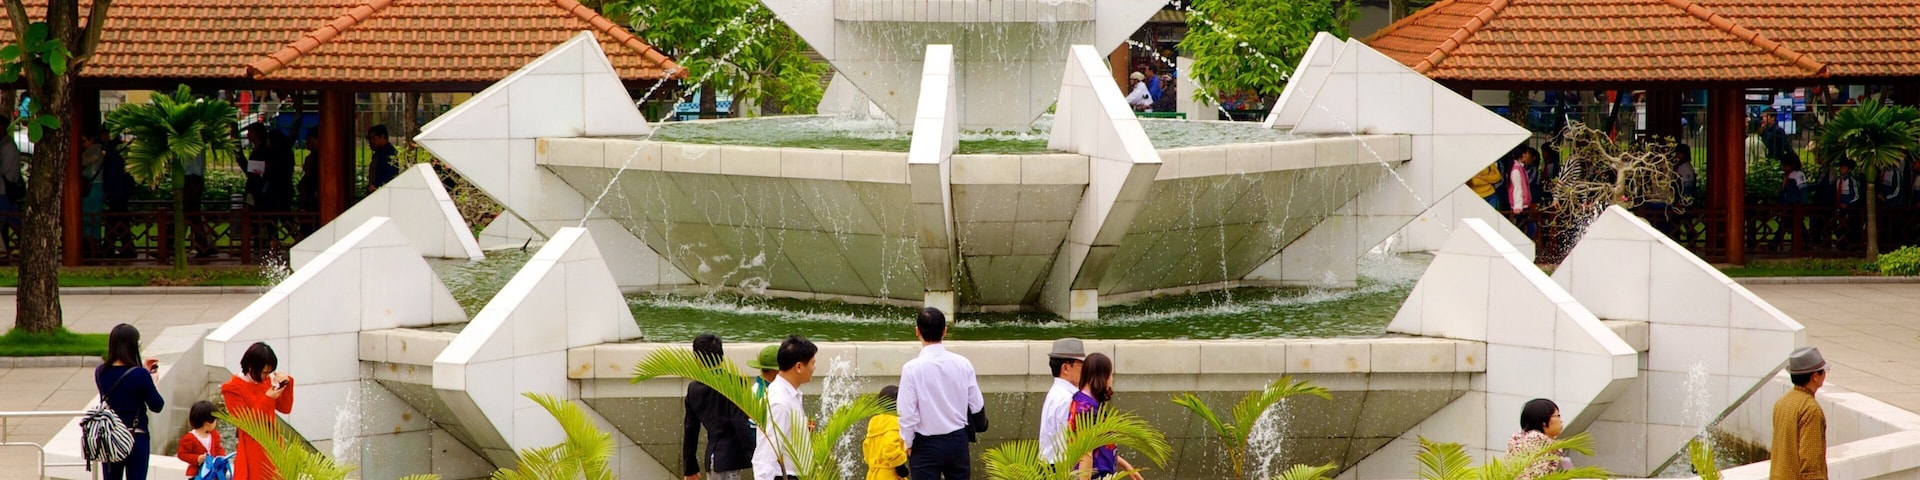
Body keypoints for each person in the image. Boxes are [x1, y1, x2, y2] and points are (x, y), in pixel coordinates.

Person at [898, 307, 985, 480]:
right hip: (957, 441)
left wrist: (908, 442)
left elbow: (907, 413)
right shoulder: (963, 363)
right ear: (945, 331)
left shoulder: (911, 369)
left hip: (925, 444)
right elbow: (976, 404)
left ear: (917, 331)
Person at [682, 333, 754, 480]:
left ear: (697, 359)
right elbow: (739, 422)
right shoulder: (736, 383)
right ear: (721, 355)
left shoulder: (694, 389)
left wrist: (690, 468)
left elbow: (690, 430)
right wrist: (756, 453)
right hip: (731, 457)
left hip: (713, 457)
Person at [97, 324, 164, 480]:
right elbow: (157, 405)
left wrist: (142, 371)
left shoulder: (101, 371)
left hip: (111, 436)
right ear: (133, 345)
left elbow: (121, 389)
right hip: (136, 437)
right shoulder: (140, 375)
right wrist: (153, 380)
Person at [222, 342, 295, 480]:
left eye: (269, 372)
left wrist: (286, 384)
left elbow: (285, 408)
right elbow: (246, 423)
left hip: (274, 445)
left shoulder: (264, 381)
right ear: (251, 367)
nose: (266, 376)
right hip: (253, 448)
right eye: (264, 372)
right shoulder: (232, 388)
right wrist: (267, 398)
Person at [753, 336, 815, 480]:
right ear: (799, 367)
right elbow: (765, 455)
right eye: (812, 363)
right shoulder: (780, 401)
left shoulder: (790, 394)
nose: (814, 368)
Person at [1070, 353, 1141, 480]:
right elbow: (1086, 454)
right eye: (1110, 374)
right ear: (1103, 376)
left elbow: (1100, 446)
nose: (1111, 379)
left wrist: (1126, 466)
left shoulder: (1082, 400)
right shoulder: (1087, 409)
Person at [1771, 347, 1828, 480]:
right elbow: (1811, 463)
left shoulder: (1782, 402)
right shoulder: (1810, 409)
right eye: (1823, 371)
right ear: (1815, 376)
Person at [1037, 338, 1086, 463]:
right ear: (1066, 368)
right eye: (1081, 365)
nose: (1085, 370)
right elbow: (1067, 445)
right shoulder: (1066, 399)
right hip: (1060, 467)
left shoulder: (1057, 393)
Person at [1506, 398, 1569, 480]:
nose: (1561, 420)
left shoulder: (1518, 438)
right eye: (1558, 416)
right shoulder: (1539, 443)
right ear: (1544, 421)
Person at [863, 385, 908, 480]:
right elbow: (890, 447)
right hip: (889, 474)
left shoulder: (874, 422)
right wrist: (900, 468)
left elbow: (866, 448)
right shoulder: (894, 421)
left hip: (872, 473)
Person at [176, 400, 226, 478]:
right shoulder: (189, 438)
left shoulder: (214, 434)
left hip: (212, 472)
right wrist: (197, 458)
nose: (216, 423)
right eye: (215, 420)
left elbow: (218, 448)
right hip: (196, 474)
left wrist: (221, 457)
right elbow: (181, 454)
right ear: (208, 423)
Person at [367, 125, 400, 192]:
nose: (371, 142)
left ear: (382, 137)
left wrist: (376, 185)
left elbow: (391, 173)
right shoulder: (380, 152)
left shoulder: (389, 153)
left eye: (374, 139)